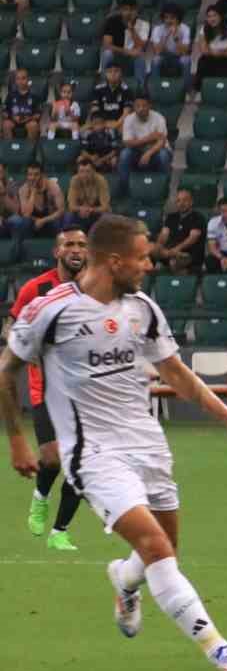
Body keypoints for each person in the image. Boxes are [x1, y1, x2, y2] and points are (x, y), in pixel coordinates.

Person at [0, 215, 227, 671]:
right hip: (92, 453)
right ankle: (218, 648)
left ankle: (124, 579)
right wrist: (18, 439)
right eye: (142, 257)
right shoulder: (51, 308)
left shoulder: (142, 308)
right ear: (114, 260)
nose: (148, 265)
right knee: (156, 546)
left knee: (165, 549)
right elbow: (7, 370)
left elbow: (177, 374)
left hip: (147, 442)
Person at [7, 228, 88, 550]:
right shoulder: (36, 288)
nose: (76, 250)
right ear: (57, 251)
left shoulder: (95, 290)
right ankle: (40, 497)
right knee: (52, 459)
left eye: (82, 244)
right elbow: (13, 327)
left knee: (81, 465)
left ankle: (60, 532)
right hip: (46, 389)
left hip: (85, 392)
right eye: (69, 244)